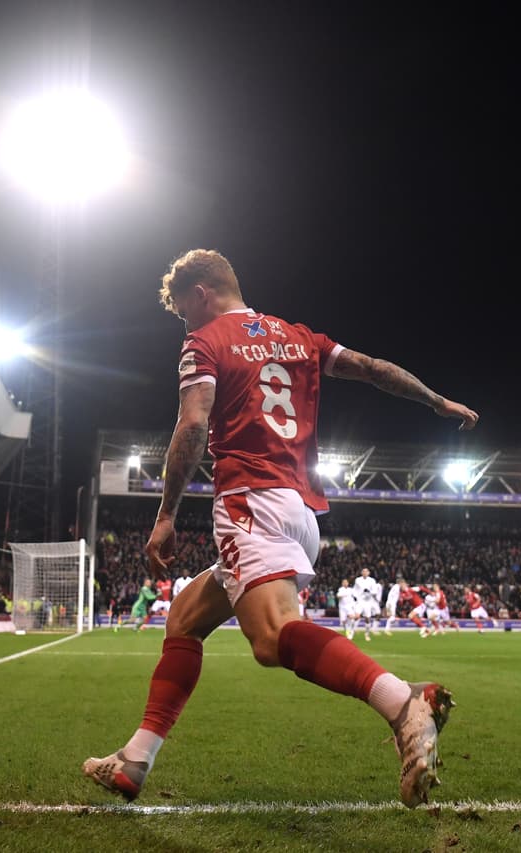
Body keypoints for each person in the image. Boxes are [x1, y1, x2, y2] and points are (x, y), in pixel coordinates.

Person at [83, 248, 477, 808]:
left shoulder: (205, 341)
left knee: (270, 640)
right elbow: (370, 369)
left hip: (250, 503)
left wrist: (166, 514)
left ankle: (403, 701)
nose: (183, 322)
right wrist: (435, 400)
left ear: (200, 293)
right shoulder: (299, 337)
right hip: (298, 510)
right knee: (185, 618)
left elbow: (193, 422)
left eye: (181, 310)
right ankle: (136, 758)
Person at [352, 567, 382, 641]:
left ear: (368, 573)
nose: (365, 573)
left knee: (367, 619)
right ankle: (351, 633)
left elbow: (374, 591)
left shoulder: (372, 581)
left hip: (368, 602)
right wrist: (355, 597)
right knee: (357, 616)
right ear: (361, 573)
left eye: (366, 571)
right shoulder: (357, 580)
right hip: (360, 601)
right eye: (363, 571)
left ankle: (367, 634)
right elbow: (354, 589)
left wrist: (369, 591)